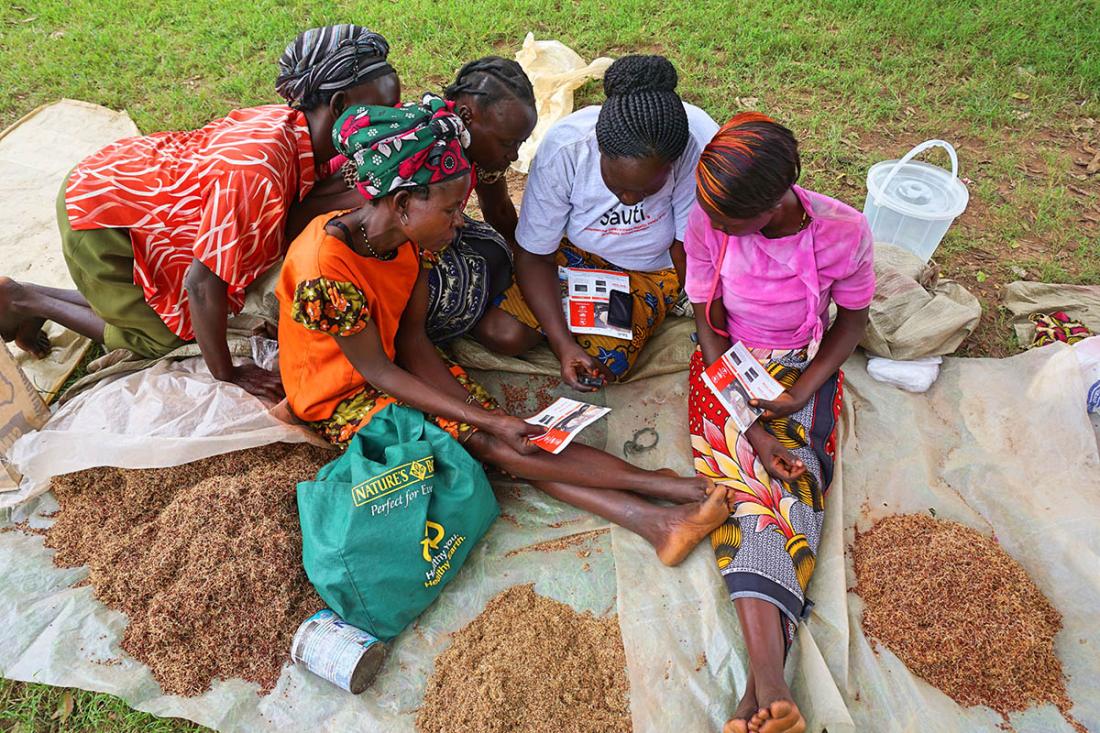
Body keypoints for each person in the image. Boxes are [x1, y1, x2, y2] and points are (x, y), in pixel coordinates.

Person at [276, 97, 733, 567]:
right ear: (403, 203)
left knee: (506, 441)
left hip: (397, 365)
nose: (460, 225)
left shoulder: (407, 238)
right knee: (493, 440)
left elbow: (413, 342)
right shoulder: (324, 273)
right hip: (341, 397)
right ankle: (661, 489)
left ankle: (654, 520)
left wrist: (477, 415)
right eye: (452, 211)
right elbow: (377, 372)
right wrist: (483, 421)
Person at [0, 24, 399, 401]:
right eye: (386, 109)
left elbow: (298, 210)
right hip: (101, 214)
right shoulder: (257, 174)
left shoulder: (295, 129)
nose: (394, 120)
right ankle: (28, 303)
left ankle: (31, 296)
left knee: (151, 306)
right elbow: (201, 284)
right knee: (163, 335)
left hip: (136, 183)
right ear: (341, 105)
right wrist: (228, 372)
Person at [683, 113, 874, 733]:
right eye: (709, 213)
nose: (712, 227)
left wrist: (800, 395)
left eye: (727, 220)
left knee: (798, 484)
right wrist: (754, 427)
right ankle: (770, 681)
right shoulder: (709, 218)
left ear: (771, 204)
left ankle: (757, 691)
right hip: (728, 363)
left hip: (801, 368)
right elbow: (708, 320)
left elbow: (850, 322)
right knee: (740, 488)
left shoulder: (843, 231)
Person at [477, 54, 719, 390]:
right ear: (599, 149)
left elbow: (688, 251)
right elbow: (535, 254)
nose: (631, 199)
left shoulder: (695, 147)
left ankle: (595, 323)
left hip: (650, 272)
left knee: (606, 365)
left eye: (648, 189)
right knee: (500, 333)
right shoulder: (567, 148)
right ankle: (572, 330)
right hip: (574, 257)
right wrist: (564, 346)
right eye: (618, 186)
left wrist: (713, 347)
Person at [321, 57, 538, 344]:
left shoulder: (479, 151)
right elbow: (350, 220)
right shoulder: (406, 147)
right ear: (467, 116)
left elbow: (498, 211)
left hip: (422, 233)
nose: (514, 155)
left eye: (520, 143)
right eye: (508, 143)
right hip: (379, 252)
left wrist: (532, 263)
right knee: (491, 311)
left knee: (495, 255)